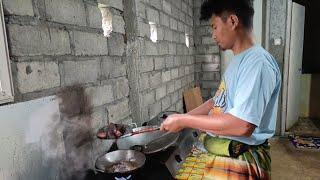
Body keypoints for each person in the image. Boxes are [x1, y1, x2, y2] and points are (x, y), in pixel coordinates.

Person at [160, 0, 281, 179]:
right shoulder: (238, 61)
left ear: (232, 21)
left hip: (241, 159)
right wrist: (182, 119)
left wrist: (185, 120)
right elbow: (215, 102)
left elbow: (242, 125)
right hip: (226, 152)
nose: (213, 35)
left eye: (214, 27)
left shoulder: (257, 64)